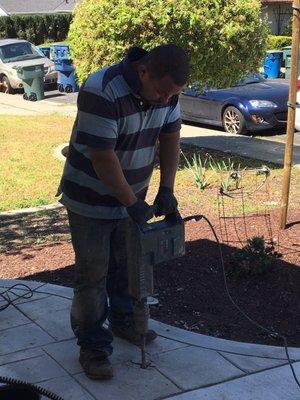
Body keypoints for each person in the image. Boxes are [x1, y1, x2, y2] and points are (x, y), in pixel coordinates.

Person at [58, 44, 189, 380]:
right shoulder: (101, 89)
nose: (164, 100)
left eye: (171, 94)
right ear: (143, 71)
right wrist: (132, 203)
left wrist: (167, 189)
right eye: (161, 91)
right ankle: (94, 347)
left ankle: (123, 322)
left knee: (126, 266)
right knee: (92, 276)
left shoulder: (167, 92)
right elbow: (103, 158)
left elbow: (170, 137)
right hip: (90, 200)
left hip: (133, 197)